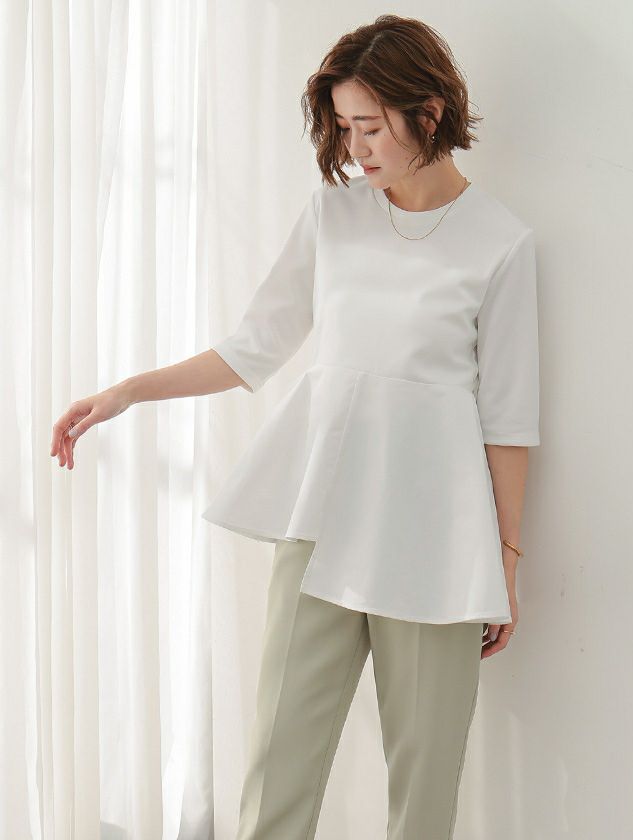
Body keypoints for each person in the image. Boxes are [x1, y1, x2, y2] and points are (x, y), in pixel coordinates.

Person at [50, 14, 540, 839]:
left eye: (370, 127)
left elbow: (509, 418)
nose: (356, 148)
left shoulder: (500, 243)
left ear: (428, 113)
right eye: (344, 128)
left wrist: (506, 562)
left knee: (423, 795)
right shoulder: (334, 217)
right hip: (320, 522)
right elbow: (252, 348)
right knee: (276, 772)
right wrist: (127, 392)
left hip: (435, 541)